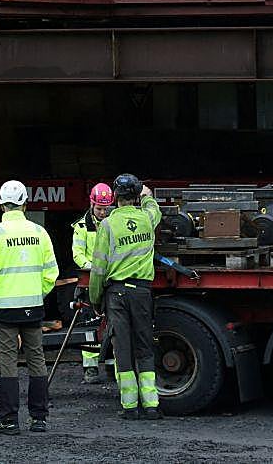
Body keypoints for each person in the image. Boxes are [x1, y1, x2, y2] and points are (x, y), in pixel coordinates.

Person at [0, 179, 60, 433]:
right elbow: (51, 273)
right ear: (24, 204)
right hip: (33, 306)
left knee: (8, 362)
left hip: (4, 309)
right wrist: (38, 294)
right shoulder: (39, 233)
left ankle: (9, 420)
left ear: (2, 204)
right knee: (37, 359)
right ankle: (39, 418)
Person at [88, 172, 160, 420]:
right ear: (136, 196)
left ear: (115, 197)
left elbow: (98, 270)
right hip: (142, 292)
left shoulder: (107, 226)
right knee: (145, 346)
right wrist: (147, 196)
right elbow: (154, 209)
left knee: (123, 349)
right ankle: (151, 405)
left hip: (116, 294)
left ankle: (130, 407)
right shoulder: (147, 219)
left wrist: (96, 300)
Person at [70, 182, 114, 384]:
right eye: (99, 208)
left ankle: (113, 365)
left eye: (106, 208)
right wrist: (94, 268)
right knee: (91, 324)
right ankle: (90, 367)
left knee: (113, 324)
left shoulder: (114, 223)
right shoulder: (81, 227)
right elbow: (77, 254)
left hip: (110, 279)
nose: (103, 212)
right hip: (90, 281)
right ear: (91, 204)